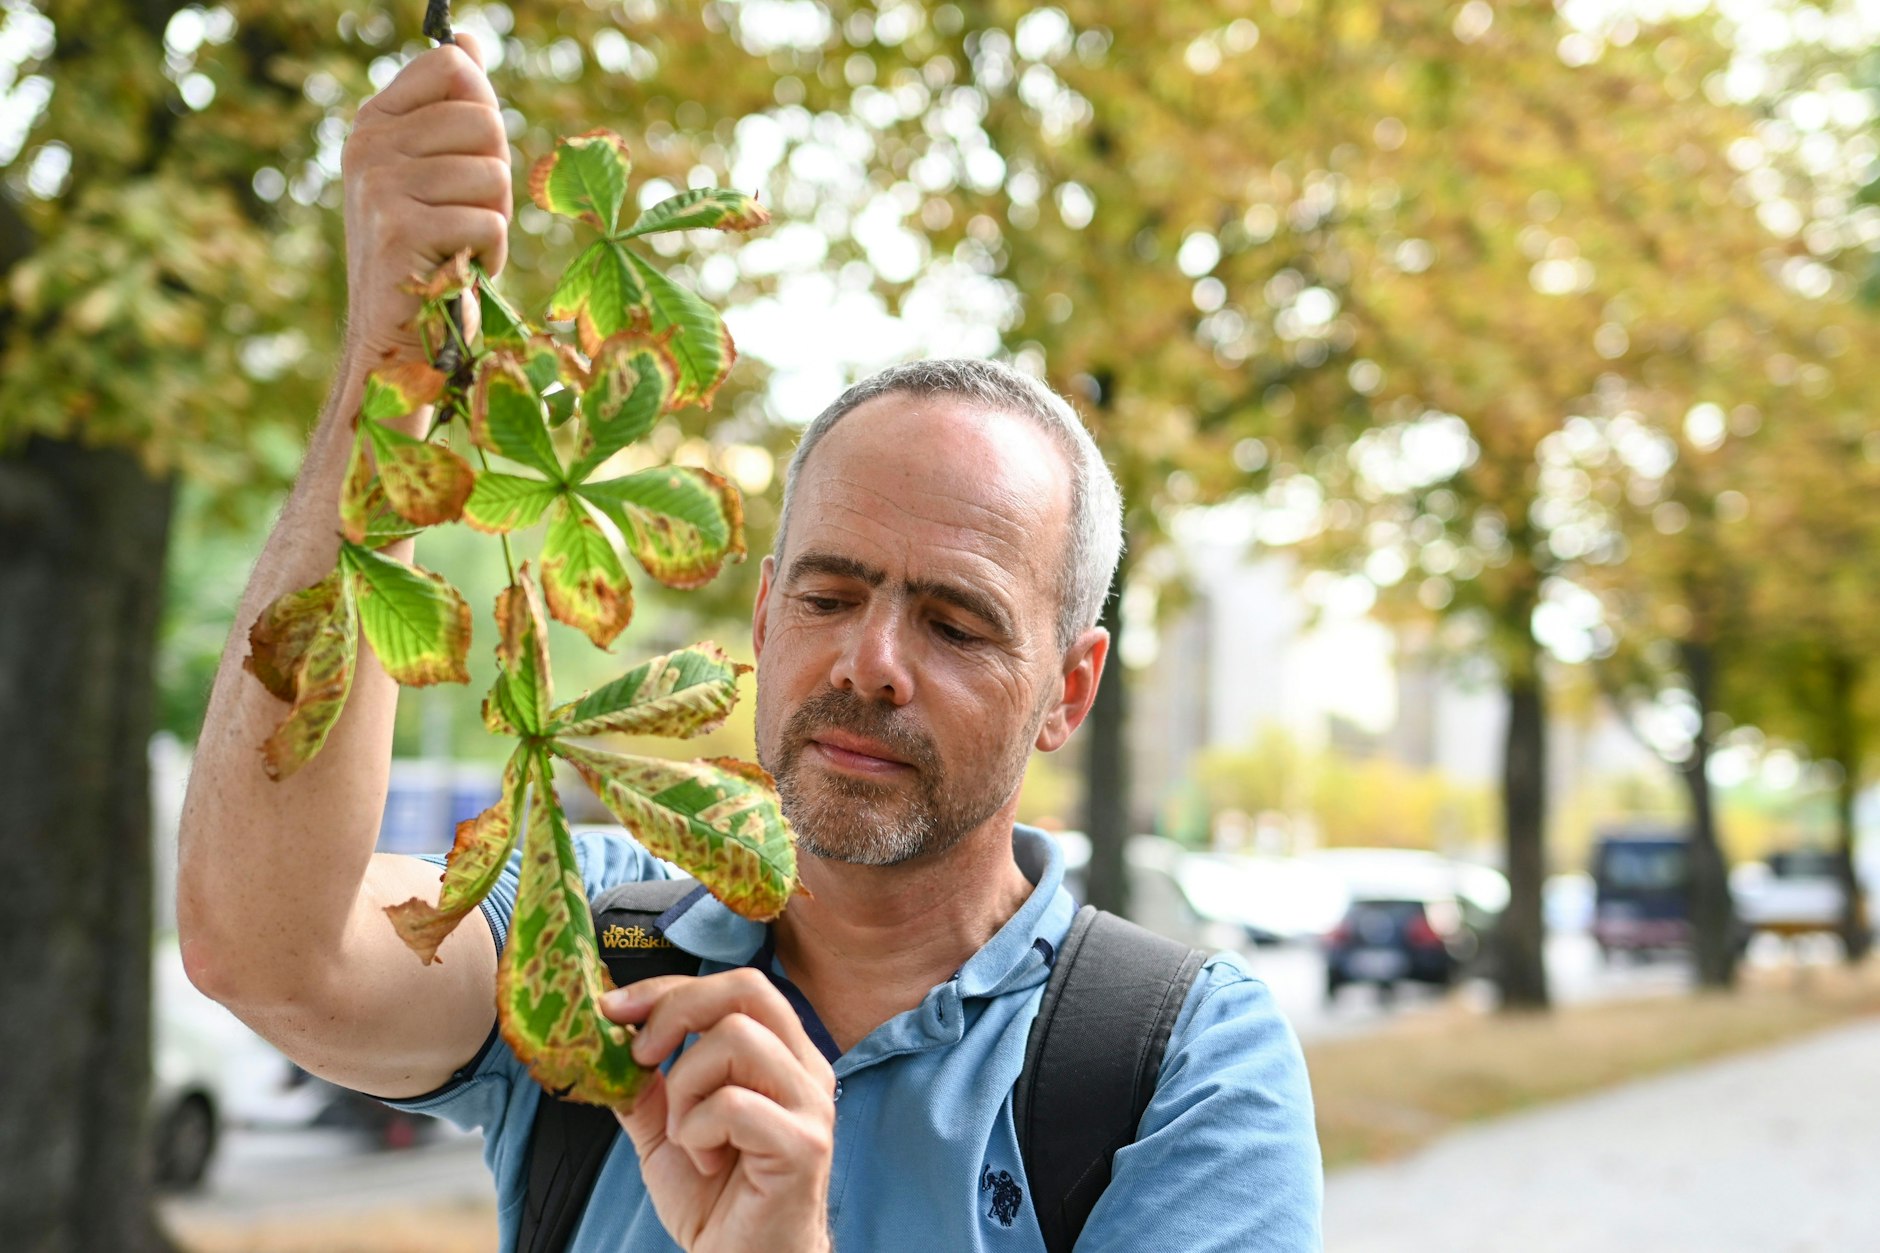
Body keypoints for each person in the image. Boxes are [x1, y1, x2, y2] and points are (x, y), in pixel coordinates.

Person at [176, 37, 1323, 1253]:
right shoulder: (600, 929)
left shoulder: (1181, 1060)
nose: (868, 662)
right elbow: (268, 945)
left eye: (954, 621)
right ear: (766, 615)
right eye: (830, 596)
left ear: (1068, 688)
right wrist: (392, 366)